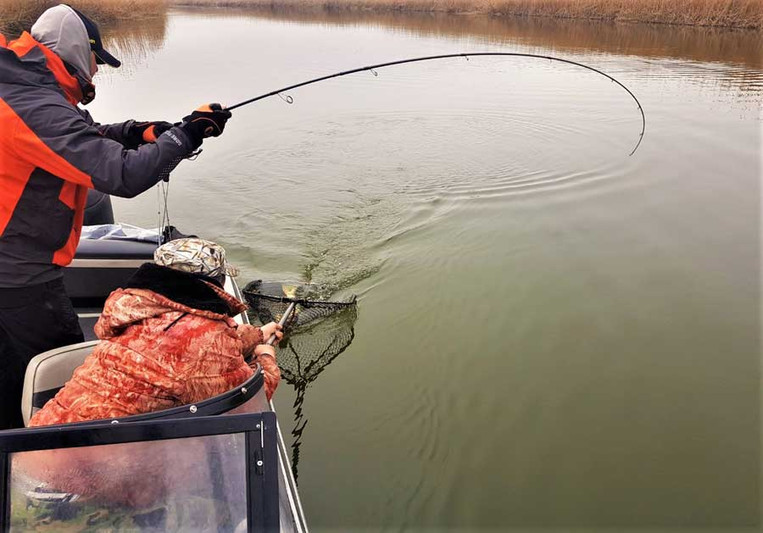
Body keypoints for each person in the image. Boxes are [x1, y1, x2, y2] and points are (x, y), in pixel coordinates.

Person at [0, 4, 233, 429]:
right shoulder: (33, 102)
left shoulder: (24, 85)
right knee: (67, 383)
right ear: (75, 50)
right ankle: (58, 466)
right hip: (21, 276)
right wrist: (188, 133)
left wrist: (141, 132)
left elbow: (80, 136)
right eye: (97, 61)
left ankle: (12, 437)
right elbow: (121, 174)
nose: (98, 72)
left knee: (9, 374)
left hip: (12, 265)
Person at [29, 238, 282, 427]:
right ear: (215, 282)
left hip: (44, 433)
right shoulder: (208, 338)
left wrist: (258, 334)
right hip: (93, 465)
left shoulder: (133, 307)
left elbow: (187, 344)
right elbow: (244, 402)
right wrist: (266, 357)